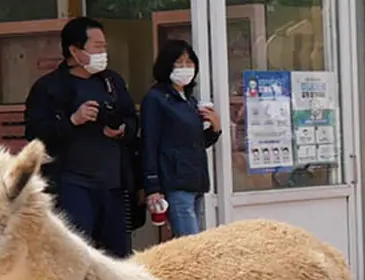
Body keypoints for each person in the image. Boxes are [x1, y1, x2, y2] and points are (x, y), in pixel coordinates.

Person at [24, 16, 139, 258]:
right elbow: (35, 137)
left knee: (117, 256)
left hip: (113, 183)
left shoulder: (112, 82)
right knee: (75, 253)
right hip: (72, 184)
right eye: (97, 47)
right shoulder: (49, 88)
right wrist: (72, 121)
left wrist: (121, 130)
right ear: (74, 51)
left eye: (104, 47)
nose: (103, 53)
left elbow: (131, 119)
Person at [140, 39, 222, 237]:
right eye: (179, 63)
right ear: (167, 65)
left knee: (196, 241)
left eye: (189, 63)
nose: (185, 68)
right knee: (189, 245)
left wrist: (215, 128)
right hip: (175, 182)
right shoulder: (156, 98)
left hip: (195, 180)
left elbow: (196, 143)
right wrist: (153, 187)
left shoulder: (189, 100)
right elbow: (149, 144)